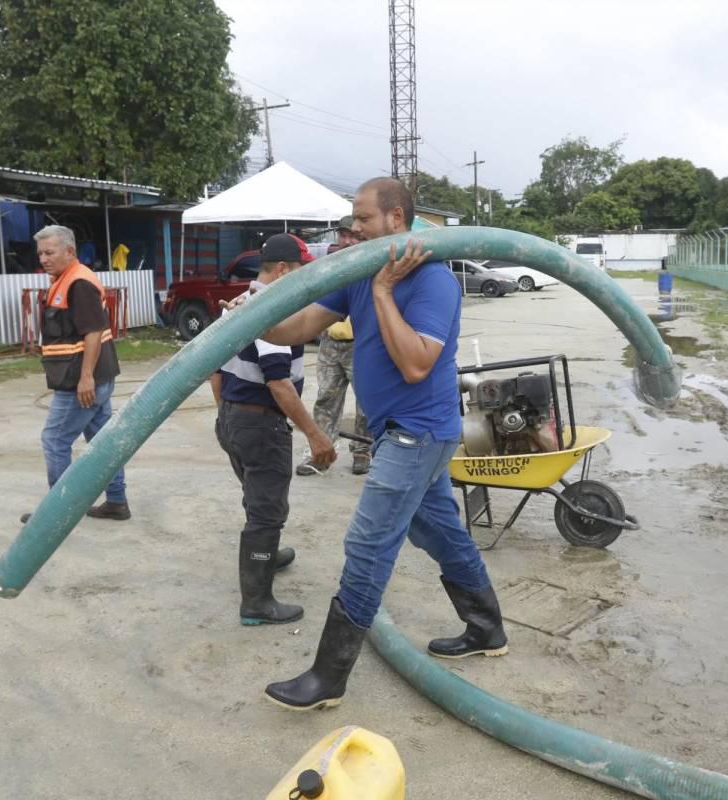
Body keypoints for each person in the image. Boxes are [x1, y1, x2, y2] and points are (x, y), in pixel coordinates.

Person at [253, 178, 508, 712]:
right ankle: (486, 628)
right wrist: (252, 315)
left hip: (420, 433)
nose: (353, 229)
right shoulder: (362, 271)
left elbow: (417, 364)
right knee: (438, 532)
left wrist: (385, 293)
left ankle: (328, 677)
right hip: (397, 431)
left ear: (397, 219)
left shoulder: (434, 281)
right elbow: (295, 328)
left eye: (363, 219)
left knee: (368, 545)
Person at [212, 234, 335, 625]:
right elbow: (279, 383)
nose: (304, 281)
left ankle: (266, 555)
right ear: (282, 270)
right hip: (260, 423)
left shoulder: (240, 303)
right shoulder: (273, 312)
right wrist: (315, 434)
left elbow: (214, 372)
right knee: (266, 511)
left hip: (233, 417)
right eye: (301, 272)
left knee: (256, 495)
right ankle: (257, 603)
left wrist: (229, 416)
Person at [21, 225, 129, 523]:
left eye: (50, 252)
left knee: (55, 440)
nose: (43, 258)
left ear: (70, 251)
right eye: (40, 253)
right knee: (102, 443)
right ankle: (117, 501)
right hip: (91, 377)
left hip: (81, 382)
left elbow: (93, 332)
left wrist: (86, 378)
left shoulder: (78, 283)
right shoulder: (66, 279)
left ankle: (57, 514)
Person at [297, 216, 372, 477]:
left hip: (361, 344)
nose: (348, 240)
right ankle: (321, 452)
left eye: (353, 235)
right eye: (343, 235)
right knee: (326, 397)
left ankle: (362, 451)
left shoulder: (370, 266)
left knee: (366, 402)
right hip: (331, 343)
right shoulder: (330, 267)